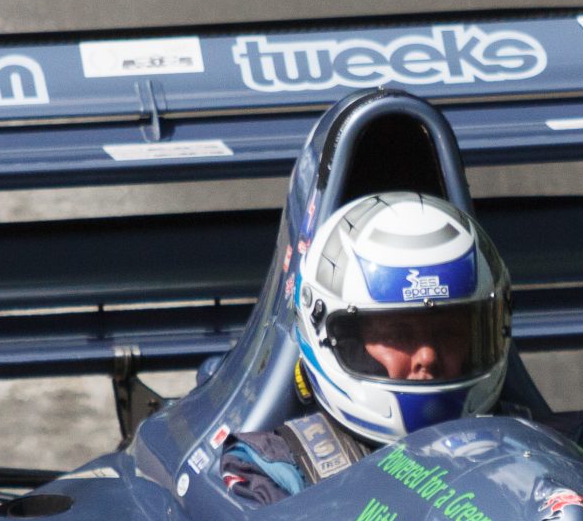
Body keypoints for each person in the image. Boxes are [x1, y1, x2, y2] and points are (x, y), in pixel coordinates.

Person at [215, 190, 511, 503]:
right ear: (340, 339)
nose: (428, 355)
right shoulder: (272, 470)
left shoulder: (546, 449)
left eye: (449, 332)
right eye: (399, 334)